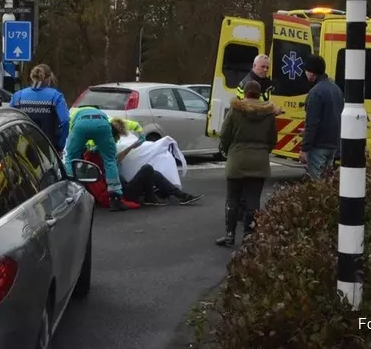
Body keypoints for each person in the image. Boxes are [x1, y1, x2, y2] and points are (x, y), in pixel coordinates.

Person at [216, 80, 280, 247]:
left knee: (232, 199)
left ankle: (230, 235)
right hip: (259, 161)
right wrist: (264, 151)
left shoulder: (236, 110)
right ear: (259, 94)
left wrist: (228, 150)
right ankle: (249, 237)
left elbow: (225, 134)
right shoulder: (268, 113)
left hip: (237, 159)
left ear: (244, 93)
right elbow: (273, 139)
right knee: (253, 199)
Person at [111, 119, 203, 206]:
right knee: (147, 168)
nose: (118, 139)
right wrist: (131, 147)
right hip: (124, 193)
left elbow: (119, 157)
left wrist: (133, 145)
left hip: (126, 186)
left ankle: (181, 196)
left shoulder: (108, 148)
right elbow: (116, 158)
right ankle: (151, 198)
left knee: (153, 173)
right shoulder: (105, 152)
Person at [65, 106, 128, 211]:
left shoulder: (74, 114)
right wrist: (96, 148)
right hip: (101, 125)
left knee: (71, 158)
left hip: (80, 125)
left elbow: (71, 133)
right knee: (110, 160)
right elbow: (104, 141)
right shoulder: (102, 114)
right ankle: (115, 197)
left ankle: (70, 193)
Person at [299, 54, 344, 180]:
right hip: (333, 145)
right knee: (326, 184)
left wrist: (304, 148)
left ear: (312, 73)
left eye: (306, 70)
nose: (305, 73)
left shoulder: (315, 92)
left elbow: (312, 123)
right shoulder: (336, 89)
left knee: (316, 183)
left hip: (318, 145)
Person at [10, 64, 69, 153]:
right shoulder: (56, 96)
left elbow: (9, 119)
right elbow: (65, 121)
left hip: (23, 145)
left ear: (32, 77)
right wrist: (60, 145)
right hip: (48, 146)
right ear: (49, 78)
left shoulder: (18, 96)